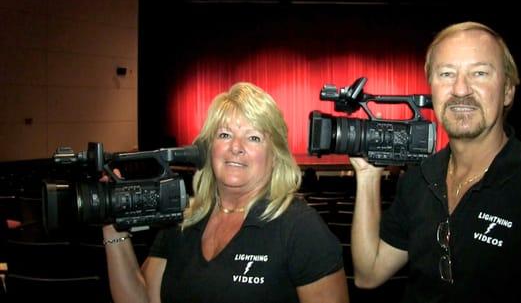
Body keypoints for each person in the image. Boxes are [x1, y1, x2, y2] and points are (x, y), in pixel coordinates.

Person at [349, 21, 521, 303]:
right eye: (446, 74)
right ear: (431, 89)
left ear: (507, 91)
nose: (460, 89)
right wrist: (368, 175)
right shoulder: (419, 178)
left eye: (479, 73)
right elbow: (368, 274)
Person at [102, 82, 349, 303]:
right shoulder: (183, 219)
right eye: (225, 134)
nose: (236, 147)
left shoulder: (300, 228)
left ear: (275, 155)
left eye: (253, 138)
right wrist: (112, 225)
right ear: (208, 149)